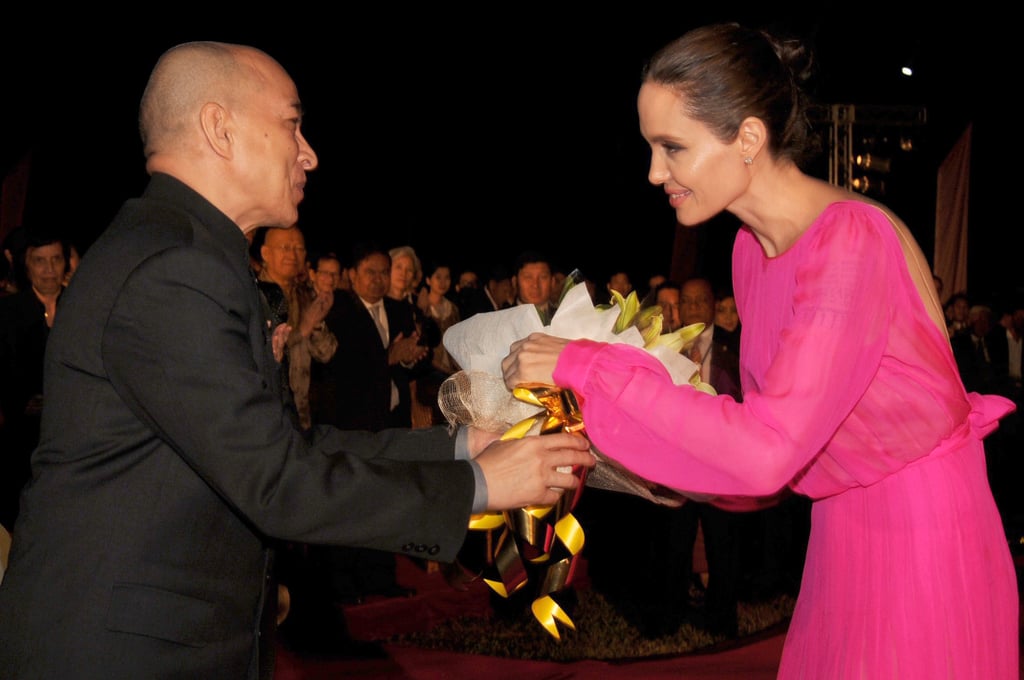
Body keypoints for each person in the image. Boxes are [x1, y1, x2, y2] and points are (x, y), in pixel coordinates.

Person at [0, 41, 594, 680]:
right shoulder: (171, 268)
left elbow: (291, 447)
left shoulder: (186, 253)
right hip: (121, 650)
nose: (309, 152)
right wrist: (482, 485)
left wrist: (461, 448)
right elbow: (277, 481)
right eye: (291, 123)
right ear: (219, 128)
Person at [500, 23, 1017, 679]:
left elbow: (767, 451)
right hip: (842, 529)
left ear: (747, 138)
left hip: (921, 534)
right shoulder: (751, 252)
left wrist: (588, 365)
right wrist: (678, 477)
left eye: (672, 147)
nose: (654, 172)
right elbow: (768, 447)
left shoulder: (848, 242)